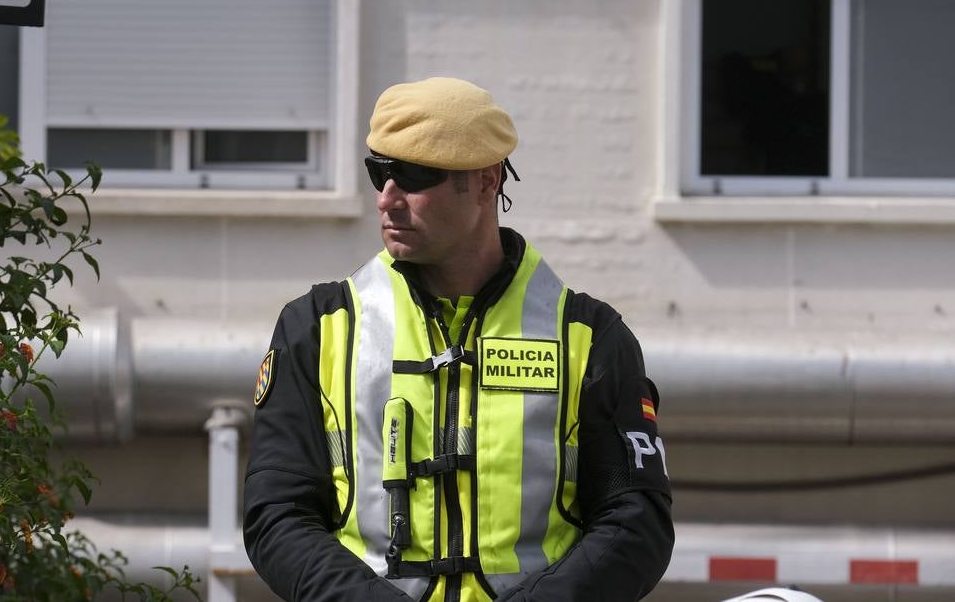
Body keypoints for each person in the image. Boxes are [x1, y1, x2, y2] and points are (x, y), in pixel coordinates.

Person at [243, 76, 673, 601]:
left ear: (488, 181)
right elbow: (277, 514)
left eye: (414, 176)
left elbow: (635, 523)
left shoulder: (589, 336)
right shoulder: (317, 326)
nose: (387, 199)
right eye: (378, 172)